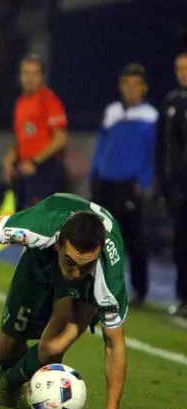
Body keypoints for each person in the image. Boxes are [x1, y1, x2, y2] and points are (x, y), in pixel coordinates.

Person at [0, 193, 135, 409]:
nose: (76, 273)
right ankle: (13, 373)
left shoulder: (108, 273)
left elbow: (114, 343)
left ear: (97, 254)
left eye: (84, 265)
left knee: (53, 346)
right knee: (5, 349)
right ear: (58, 244)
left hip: (87, 287)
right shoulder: (38, 227)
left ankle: (10, 381)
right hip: (40, 262)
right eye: (71, 262)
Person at [90, 63, 157, 307]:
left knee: (133, 239)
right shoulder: (112, 112)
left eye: (135, 85)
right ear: (120, 86)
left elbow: (154, 155)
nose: (130, 89)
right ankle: (99, 286)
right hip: (106, 183)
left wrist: (142, 183)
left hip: (130, 186)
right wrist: (94, 174)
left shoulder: (151, 117)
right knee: (101, 238)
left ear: (144, 89)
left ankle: (140, 290)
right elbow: (100, 146)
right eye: (126, 84)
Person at [2, 56, 69, 211]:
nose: (30, 78)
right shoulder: (21, 102)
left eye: (35, 73)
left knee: (39, 220)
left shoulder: (49, 100)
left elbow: (61, 139)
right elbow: (21, 139)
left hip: (45, 169)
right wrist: (10, 159)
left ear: (42, 76)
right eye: (26, 73)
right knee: (20, 217)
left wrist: (34, 161)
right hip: (25, 169)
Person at [155, 51, 187, 317]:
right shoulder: (171, 101)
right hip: (178, 187)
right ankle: (182, 296)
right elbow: (163, 147)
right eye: (179, 67)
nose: (182, 72)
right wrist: (163, 181)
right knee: (180, 243)